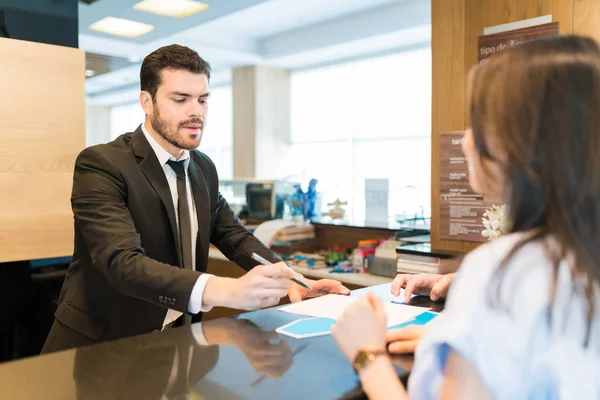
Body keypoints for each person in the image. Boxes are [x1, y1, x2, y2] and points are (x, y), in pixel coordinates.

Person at [332, 35, 600, 399]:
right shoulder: (580, 254)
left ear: (521, 144)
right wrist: (460, 339)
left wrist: (367, 355)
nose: (464, 141)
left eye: (478, 124)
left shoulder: (502, 271)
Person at [41, 44, 349, 354]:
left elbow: (234, 236)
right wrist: (226, 289)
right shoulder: (102, 163)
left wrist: (292, 279)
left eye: (202, 100)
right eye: (180, 99)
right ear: (146, 102)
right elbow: (122, 263)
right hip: (103, 343)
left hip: (176, 340)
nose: (196, 111)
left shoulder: (203, 167)